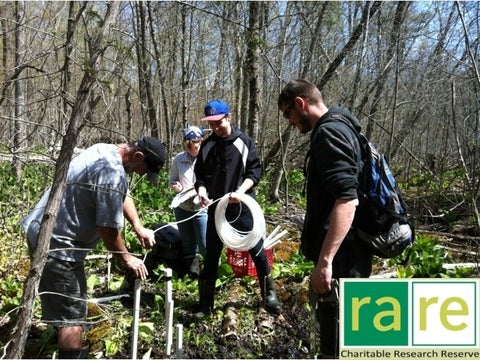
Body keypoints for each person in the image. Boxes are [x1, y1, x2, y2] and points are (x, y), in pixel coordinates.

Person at [20, 136, 167, 359]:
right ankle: (71, 352)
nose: (142, 174)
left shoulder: (106, 150)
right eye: (144, 169)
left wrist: (138, 226)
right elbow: (108, 229)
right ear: (138, 156)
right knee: (73, 314)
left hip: (42, 230)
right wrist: (127, 258)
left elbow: (122, 193)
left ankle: (64, 337)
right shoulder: (112, 171)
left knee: (65, 303)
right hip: (58, 245)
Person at [278, 79, 373, 358]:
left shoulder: (328, 134)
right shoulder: (342, 124)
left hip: (343, 258)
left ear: (300, 104)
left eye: (288, 114)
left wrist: (325, 263)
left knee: (338, 337)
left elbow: (347, 200)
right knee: (341, 335)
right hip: (347, 252)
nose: (290, 122)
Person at [193, 99, 282, 316]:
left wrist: (241, 192)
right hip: (217, 210)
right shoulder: (207, 146)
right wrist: (202, 191)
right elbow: (200, 176)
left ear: (229, 117)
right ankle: (206, 304)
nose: (215, 128)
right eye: (211, 124)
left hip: (242, 208)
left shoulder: (244, 142)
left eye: (219, 123)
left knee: (257, 250)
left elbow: (254, 172)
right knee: (212, 255)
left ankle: (269, 296)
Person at [169, 124, 207, 278]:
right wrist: (176, 186)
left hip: (202, 206)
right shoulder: (178, 159)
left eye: (195, 147)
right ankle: (192, 270)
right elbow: (172, 180)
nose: (191, 150)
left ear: (201, 142)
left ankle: (213, 269)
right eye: (188, 147)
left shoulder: (208, 158)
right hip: (183, 205)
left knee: (205, 243)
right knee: (187, 242)